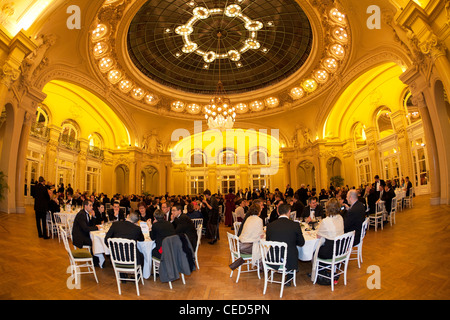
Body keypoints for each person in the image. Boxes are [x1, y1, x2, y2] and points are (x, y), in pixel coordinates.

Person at [266, 203, 305, 285]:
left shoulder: (270, 226)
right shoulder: (295, 225)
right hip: (289, 258)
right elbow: (301, 243)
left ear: (278, 212)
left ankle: (289, 276)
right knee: (293, 249)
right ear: (289, 212)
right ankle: (290, 276)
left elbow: (268, 241)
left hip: (274, 257)